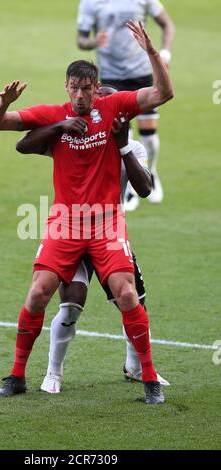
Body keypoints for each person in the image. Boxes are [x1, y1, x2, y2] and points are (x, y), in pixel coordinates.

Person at [0, 21, 173, 404]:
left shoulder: (114, 107)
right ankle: (18, 375)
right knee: (38, 294)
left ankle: (149, 378)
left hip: (106, 222)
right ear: (67, 87)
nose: (82, 95)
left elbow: (163, 94)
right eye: (75, 88)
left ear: (96, 87)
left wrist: (153, 53)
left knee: (126, 294)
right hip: (65, 223)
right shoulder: (54, 115)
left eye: (88, 89)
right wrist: (5, 102)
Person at [16, 86, 170, 394]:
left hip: (108, 231)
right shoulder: (73, 138)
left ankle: (135, 368)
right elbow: (24, 144)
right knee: (71, 304)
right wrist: (58, 126)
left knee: (133, 299)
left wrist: (123, 147)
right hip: (71, 229)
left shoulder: (131, 146)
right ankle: (52, 372)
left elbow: (144, 189)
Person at [77, 0, 175, 211]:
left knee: (148, 133)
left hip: (142, 72)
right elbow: (81, 39)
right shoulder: (89, 2)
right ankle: (129, 185)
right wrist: (95, 41)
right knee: (121, 132)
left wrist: (165, 53)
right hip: (112, 76)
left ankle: (152, 172)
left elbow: (167, 24)